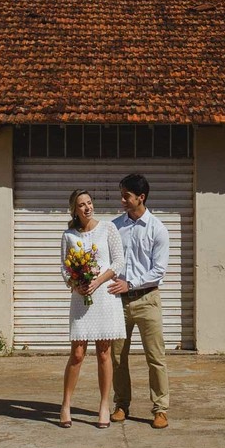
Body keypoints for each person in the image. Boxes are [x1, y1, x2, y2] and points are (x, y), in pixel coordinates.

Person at [106, 173, 171, 429]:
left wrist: (131, 283)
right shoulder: (114, 227)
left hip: (147, 300)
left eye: (127, 196)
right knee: (117, 357)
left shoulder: (157, 229)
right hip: (118, 302)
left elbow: (159, 270)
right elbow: (108, 261)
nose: (122, 200)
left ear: (141, 197)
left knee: (155, 357)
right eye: (121, 195)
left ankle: (160, 409)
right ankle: (121, 405)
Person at [59, 189, 126, 428]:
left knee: (104, 353)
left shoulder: (108, 228)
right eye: (82, 205)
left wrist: (98, 281)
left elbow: (118, 262)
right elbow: (65, 268)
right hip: (81, 297)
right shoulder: (69, 235)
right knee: (77, 353)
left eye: (89, 203)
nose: (87, 207)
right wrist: (75, 284)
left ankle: (104, 405)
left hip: (104, 296)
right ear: (74, 210)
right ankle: (66, 404)